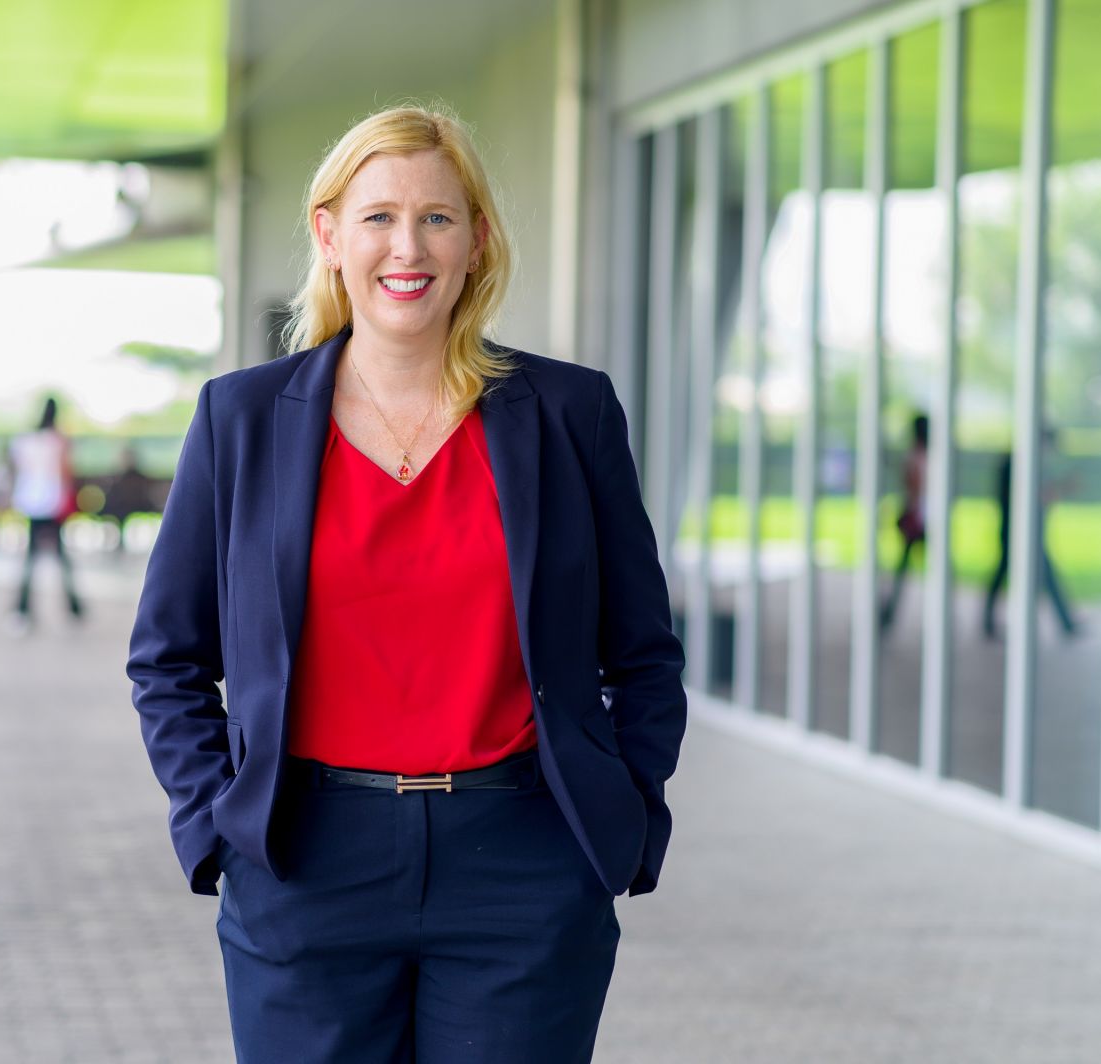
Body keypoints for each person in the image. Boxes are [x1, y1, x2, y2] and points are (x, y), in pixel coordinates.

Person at [127, 105, 686, 1063]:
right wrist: (216, 824)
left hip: (523, 861)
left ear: (477, 240)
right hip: (304, 863)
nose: (408, 246)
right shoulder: (241, 419)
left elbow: (642, 653)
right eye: (379, 216)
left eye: (437, 217)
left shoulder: (570, 412)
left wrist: (619, 815)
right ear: (329, 235)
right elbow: (168, 658)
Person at [983, 427, 1079, 639]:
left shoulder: (1016, 463)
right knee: (1032, 575)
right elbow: (1031, 497)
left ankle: (1066, 623)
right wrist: (1062, 488)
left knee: (1038, 575)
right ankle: (1066, 623)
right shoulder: (1018, 465)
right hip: (1017, 532)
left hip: (1020, 532)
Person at [8, 396, 83, 633]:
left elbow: (16, 468)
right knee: (61, 556)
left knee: (31, 557)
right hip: (52, 502)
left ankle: (22, 609)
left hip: (30, 502)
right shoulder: (58, 441)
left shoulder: (25, 440)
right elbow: (65, 473)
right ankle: (73, 607)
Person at [880, 412, 929, 633]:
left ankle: (889, 611)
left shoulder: (916, 455)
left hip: (920, 516)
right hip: (919, 517)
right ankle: (888, 610)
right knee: (905, 568)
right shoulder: (921, 455)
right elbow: (913, 486)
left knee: (903, 568)